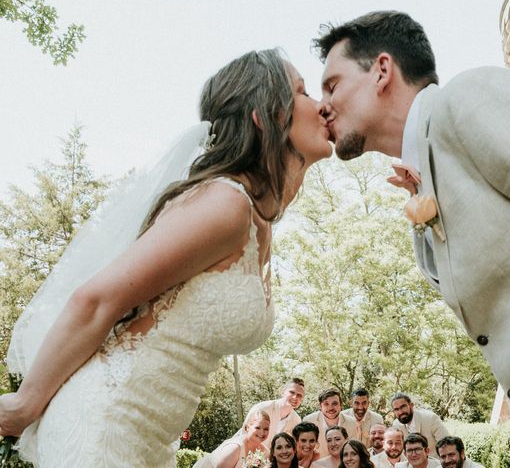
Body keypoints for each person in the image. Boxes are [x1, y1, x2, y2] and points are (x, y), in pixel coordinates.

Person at [313, 10, 510, 466]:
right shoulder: (426, 166)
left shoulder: (470, 100)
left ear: (382, 71)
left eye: (332, 85)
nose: (321, 105)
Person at [0, 48, 332, 467]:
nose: (321, 106)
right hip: (104, 427)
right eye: (302, 92)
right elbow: (98, 300)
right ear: (263, 117)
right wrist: (26, 403)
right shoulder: (225, 203)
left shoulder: (257, 221)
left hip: (151, 442)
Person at [194, 410, 271, 468]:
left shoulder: (265, 452)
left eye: (266, 429)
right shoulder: (235, 448)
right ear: (247, 427)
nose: (262, 432)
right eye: (257, 427)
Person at [242, 377, 306, 446]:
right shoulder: (262, 408)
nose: (295, 397)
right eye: (292, 392)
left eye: (299, 395)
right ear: (283, 392)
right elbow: (244, 434)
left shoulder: (296, 420)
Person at [388, 393, 447, 459]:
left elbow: (446, 444)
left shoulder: (430, 418)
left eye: (403, 407)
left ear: (411, 405)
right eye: (396, 409)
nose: (400, 412)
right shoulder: (396, 425)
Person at [303, 388, 357, 457]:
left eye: (334, 403)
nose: (330, 408)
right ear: (320, 406)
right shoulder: (309, 421)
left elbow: (353, 450)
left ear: (341, 405)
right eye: (326, 404)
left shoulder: (352, 423)